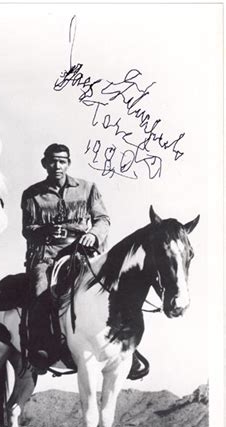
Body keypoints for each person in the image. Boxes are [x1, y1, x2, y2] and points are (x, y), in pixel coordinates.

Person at [21, 143, 146, 378]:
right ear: (44, 164)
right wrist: (46, 231)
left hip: (82, 252)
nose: (57, 165)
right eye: (52, 161)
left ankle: (129, 349)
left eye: (62, 161)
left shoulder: (88, 189)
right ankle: (40, 348)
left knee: (115, 287)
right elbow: (27, 229)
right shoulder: (31, 194)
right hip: (47, 255)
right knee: (39, 288)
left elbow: (103, 219)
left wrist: (93, 234)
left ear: (68, 163)